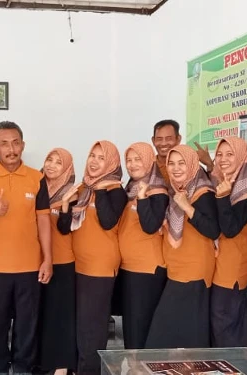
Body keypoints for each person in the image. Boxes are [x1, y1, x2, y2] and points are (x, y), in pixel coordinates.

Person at [0, 121, 52, 375]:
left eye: (16, 142)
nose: (11, 149)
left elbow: (43, 220)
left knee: (27, 325)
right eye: (4, 144)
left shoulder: (37, 179)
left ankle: (24, 368)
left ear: (23, 145)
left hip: (29, 266)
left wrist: (47, 259)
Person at [60, 140, 127, 375]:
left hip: (99, 268)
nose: (95, 161)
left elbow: (108, 221)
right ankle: (79, 368)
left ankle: (89, 371)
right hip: (77, 265)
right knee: (80, 323)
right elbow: (65, 227)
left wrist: (99, 188)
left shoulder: (115, 190)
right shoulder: (82, 189)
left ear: (110, 163)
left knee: (93, 326)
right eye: (92, 156)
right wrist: (67, 205)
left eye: (101, 158)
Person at [146, 145, 220, 349]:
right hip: (177, 269)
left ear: (193, 166)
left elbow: (213, 229)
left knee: (172, 333)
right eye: (171, 163)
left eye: (182, 163)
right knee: (179, 332)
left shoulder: (203, 193)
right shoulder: (176, 191)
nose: (176, 168)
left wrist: (187, 207)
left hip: (193, 272)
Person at [117, 142, 169, 349]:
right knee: (131, 328)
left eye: (138, 159)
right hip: (130, 268)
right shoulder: (130, 189)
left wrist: (142, 198)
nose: (132, 164)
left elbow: (150, 226)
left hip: (148, 269)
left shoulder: (157, 191)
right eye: (129, 160)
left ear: (149, 161)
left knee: (141, 330)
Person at [210, 136, 247, 348]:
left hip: (233, 265)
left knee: (225, 323)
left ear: (241, 157)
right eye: (219, 154)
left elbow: (230, 229)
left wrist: (222, 198)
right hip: (221, 263)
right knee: (224, 321)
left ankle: (231, 368)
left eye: (230, 154)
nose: (223, 159)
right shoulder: (221, 184)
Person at [38, 148, 77, 375]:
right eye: (49, 160)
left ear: (67, 168)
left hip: (62, 262)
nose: (52, 165)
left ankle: (62, 366)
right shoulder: (38, 188)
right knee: (43, 315)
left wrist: (64, 206)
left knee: (60, 316)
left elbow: (65, 228)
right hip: (38, 261)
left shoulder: (73, 192)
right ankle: (45, 364)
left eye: (58, 163)